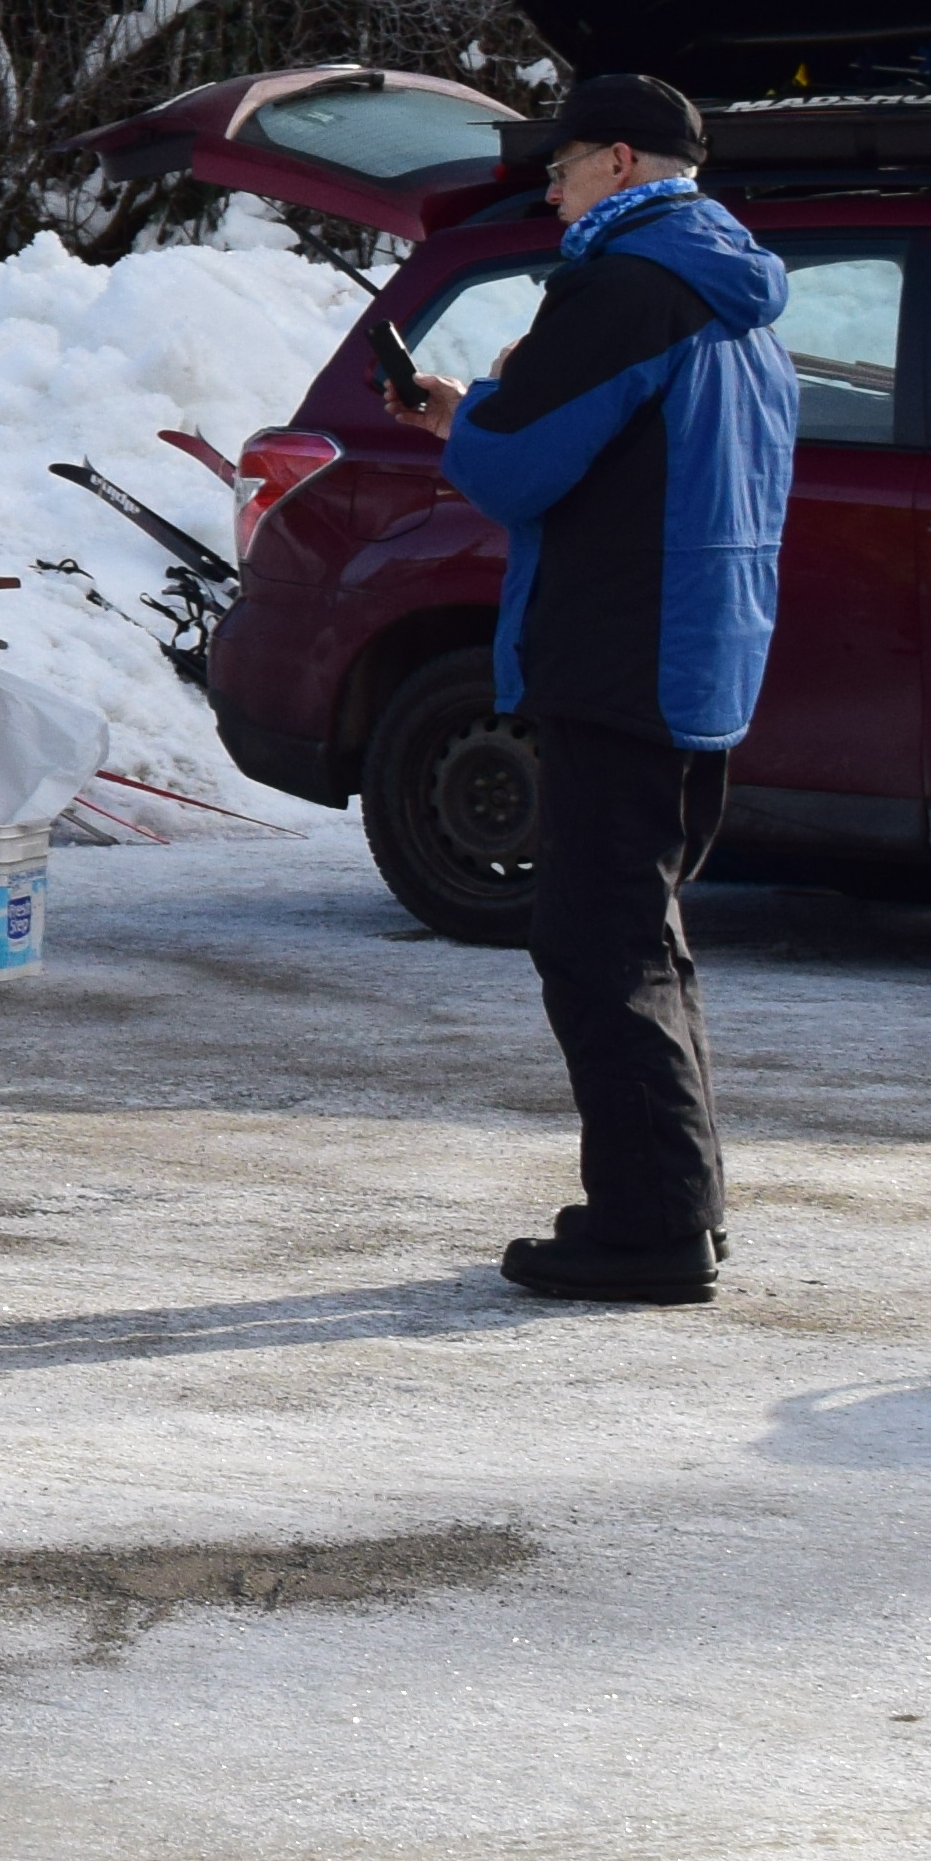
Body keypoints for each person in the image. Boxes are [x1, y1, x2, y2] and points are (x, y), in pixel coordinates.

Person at [388, 72, 787, 1306]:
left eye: (558, 171)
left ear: (619, 161)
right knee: (643, 936)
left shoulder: (620, 284)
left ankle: (649, 1227)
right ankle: (677, 1205)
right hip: (694, 649)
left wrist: (484, 409)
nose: (551, 194)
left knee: (595, 944)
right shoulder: (728, 285)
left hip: (625, 653)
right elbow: (598, 444)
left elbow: (512, 468)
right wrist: (485, 408)